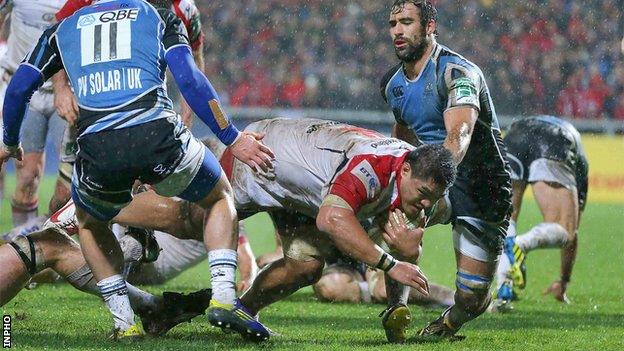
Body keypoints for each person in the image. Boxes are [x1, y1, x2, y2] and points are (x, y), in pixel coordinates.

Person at [0, 0, 273, 340]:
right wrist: (232, 137)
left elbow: (17, 89)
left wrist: (10, 141)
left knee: (89, 223)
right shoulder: (159, 16)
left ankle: (124, 322)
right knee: (218, 197)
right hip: (156, 133)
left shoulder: (64, 28)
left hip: (99, 145)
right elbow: (189, 79)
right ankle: (224, 296)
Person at [381, 0, 512, 340]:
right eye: (393, 23)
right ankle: (396, 309)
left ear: (429, 27)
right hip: (434, 177)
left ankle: (450, 322)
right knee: (397, 217)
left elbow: (460, 134)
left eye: (407, 22)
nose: (397, 30)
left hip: (482, 185)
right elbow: (405, 135)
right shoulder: (391, 84)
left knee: (472, 296)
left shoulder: (456, 72)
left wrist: (434, 184)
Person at [48, 0, 206, 214]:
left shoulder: (185, 9)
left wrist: (188, 105)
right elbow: (56, 37)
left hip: (145, 114)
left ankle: (127, 243)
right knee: (63, 196)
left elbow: (194, 55)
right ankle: (56, 244)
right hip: (91, 110)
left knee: (135, 197)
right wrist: (61, 87)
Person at [491, 115, 588, 311]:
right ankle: (521, 244)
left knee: (505, 217)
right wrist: (564, 280)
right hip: (556, 139)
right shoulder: (581, 168)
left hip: (515, 133)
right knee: (565, 229)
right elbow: (572, 235)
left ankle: (503, 292)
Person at [0, 0, 67, 226]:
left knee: (69, 185)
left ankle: (56, 244)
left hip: (67, 93)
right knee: (27, 176)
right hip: (23, 91)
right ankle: (25, 248)